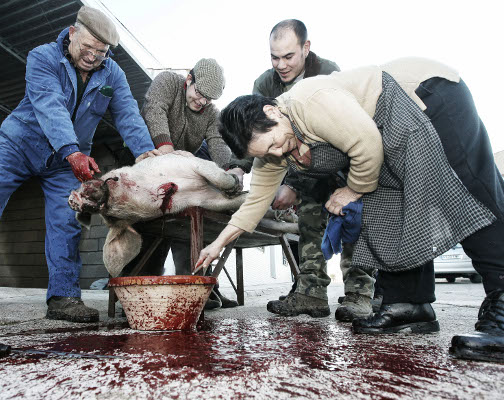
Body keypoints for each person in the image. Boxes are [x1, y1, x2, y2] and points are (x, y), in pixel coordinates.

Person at [196, 57, 504, 363]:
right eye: (267, 153)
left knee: (467, 189)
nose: (278, 153)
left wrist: (352, 190)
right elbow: (254, 204)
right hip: (390, 128)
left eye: (274, 143)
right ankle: (408, 305)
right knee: (388, 208)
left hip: (425, 95)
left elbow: (365, 143)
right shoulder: (273, 150)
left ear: (271, 111)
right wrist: (217, 243)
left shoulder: (310, 101)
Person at [0, 6, 159, 323]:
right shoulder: (42, 58)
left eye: (102, 52)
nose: (94, 57)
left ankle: (64, 297)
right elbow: (49, 105)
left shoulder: (113, 75)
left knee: (68, 219)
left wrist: (147, 153)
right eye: (88, 47)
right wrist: (72, 151)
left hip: (65, 159)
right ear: (72, 33)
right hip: (20, 144)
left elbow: (128, 115)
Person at [229, 19, 374, 321]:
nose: (280, 64)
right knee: (308, 219)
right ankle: (311, 292)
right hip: (302, 167)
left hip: (342, 161)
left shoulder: (327, 71)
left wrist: (291, 183)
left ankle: (360, 294)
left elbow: (339, 133)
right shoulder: (265, 85)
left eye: (288, 56)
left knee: (351, 220)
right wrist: (239, 169)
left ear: (306, 48)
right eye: (274, 57)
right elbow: (253, 137)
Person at [132, 58, 245, 309]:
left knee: (189, 226)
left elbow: (217, 142)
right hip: (147, 167)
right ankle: (135, 291)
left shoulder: (210, 114)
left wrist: (229, 170)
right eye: (200, 93)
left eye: (209, 99)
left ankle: (199, 286)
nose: (202, 101)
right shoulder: (168, 82)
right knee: (148, 234)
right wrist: (166, 149)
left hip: (178, 176)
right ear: (189, 79)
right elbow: (155, 110)